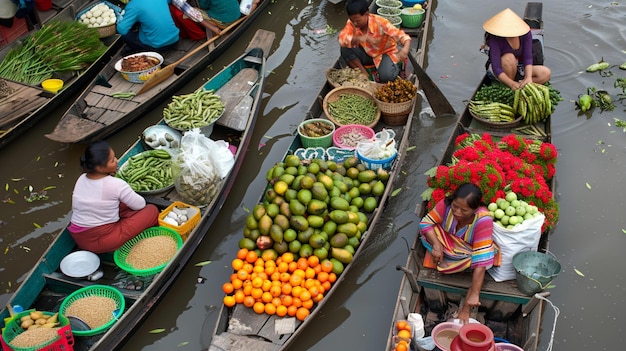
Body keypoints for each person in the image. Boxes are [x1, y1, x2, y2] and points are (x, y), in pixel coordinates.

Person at [419, 183, 496, 324]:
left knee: (483, 262)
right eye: (455, 207)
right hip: (446, 243)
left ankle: (452, 265)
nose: (457, 213)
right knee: (430, 232)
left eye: (464, 210)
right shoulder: (445, 205)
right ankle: (445, 255)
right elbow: (426, 223)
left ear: (475, 209)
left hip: (468, 252)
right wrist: (437, 246)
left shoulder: (483, 220)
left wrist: (473, 296)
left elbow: (480, 260)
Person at [68, 141, 159, 254]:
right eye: (112, 160)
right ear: (100, 168)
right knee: (152, 211)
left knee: (120, 203)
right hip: (100, 240)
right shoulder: (116, 184)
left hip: (79, 236)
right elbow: (140, 205)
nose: (116, 161)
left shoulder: (81, 178)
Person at [337, 0, 411, 83]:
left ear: (366, 14)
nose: (355, 23)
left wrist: (405, 50)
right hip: (368, 53)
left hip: (385, 54)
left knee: (386, 77)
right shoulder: (352, 23)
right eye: (352, 21)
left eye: (358, 21)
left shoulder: (380, 22)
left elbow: (402, 36)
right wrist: (359, 38)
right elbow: (341, 39)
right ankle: (365, 76)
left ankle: (395, 66)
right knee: (345, 48)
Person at [482, 8, 551, 91]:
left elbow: (527, 58)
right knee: (509, 57)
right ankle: (510, 86)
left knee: (545, 73)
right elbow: (496, 68)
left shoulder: (525, 34)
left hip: (519, 67)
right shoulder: (495, 39)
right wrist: (512, 84)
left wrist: (528, 77)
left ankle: (521, 85)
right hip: (501, 70)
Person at [169, 0, 259, 40]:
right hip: (237, 15)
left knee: (191, 12)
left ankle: (215, 25)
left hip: (225, 22)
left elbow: (203, 6)